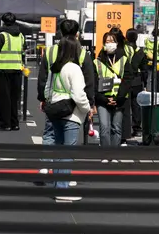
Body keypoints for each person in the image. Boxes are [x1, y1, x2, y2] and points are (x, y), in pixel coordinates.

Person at [41, 34, 90, 202]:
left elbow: (47, 90)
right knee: (68, 153)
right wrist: (87, 109)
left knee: (58, 149)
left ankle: (57, 185)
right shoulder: (74, 68)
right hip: (71, 114)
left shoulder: (55, 67)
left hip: (55, 111)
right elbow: (78, 94)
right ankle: (62, 189)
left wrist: (51, 102)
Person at [37, 19, 95, 149]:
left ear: (60, 32)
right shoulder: (82, 53)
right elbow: (89, 81)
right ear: (77, 34)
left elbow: (43, 78)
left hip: (53, 102)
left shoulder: (50, 51)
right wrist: (90, 104)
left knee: (49, 136)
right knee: (68, 147)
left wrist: (43, 98)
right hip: (73, 107)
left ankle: (46, 161)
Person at [0, 12, 25, 131]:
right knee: (14, 98)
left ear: (2, 22)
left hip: (2, 71)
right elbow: (23, 51)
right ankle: (14, 123)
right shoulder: (20, 36)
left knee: (1, 99)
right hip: (17, 70)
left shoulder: (1, 36)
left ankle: (5, 123)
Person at [94, 32, 131, 150]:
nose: (110, 44)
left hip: (119, 100)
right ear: (103, 44)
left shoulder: (124, 60)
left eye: (112, 41)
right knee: (104, 128)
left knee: (116, 128)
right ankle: (105, 153)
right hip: (103, 100)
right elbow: (94, 82)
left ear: (117, 43)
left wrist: (118, 98)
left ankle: (115, 154)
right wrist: (104, 99)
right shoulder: (97, 61)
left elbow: (127, 80)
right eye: (107, 41)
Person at [122, 29, 148, 141]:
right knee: (136, 106)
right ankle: (137, 128)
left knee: (125, 106)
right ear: (137, 38)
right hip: (137, 81)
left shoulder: (122, 50)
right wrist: (145, 83)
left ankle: (125, 130)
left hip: (124, 81)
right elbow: (144, 70)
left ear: (126, 37)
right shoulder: (140, 52)